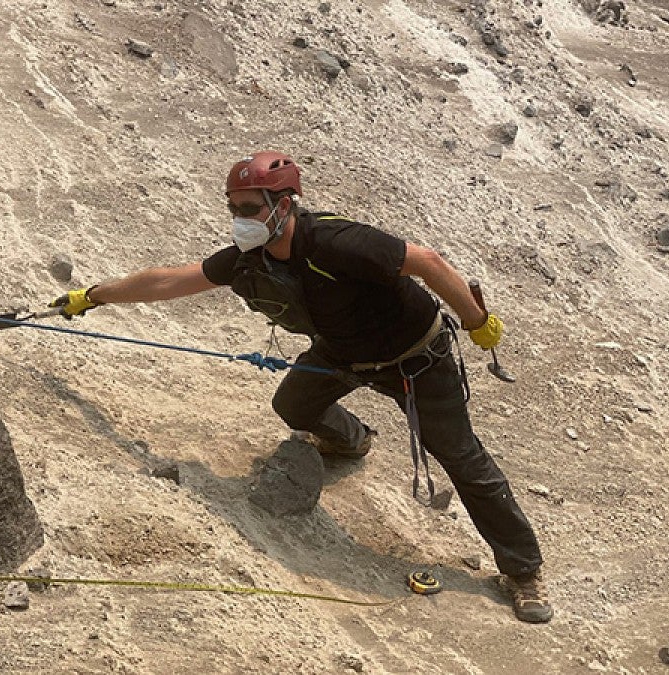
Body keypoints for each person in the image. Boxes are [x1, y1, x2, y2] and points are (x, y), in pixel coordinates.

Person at [48, 151, 552, 623]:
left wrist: (475, 319)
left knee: (461, 457)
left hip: (417, 358)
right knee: (292, 403)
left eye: (248, 208)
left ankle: (523, 570)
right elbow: (166, 281)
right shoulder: (251, 259)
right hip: (343, 353)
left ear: (283, 205)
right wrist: (92, 296)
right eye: (233, 207)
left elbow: (428, 261)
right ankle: (352, 439)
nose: (238, 217)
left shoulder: (337, 242)